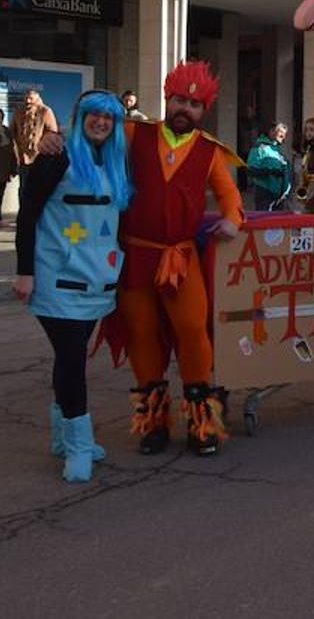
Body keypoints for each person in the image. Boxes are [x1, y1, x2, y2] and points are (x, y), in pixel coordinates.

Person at [109, 62, 242, 456]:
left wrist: (233, 219)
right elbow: (92, 142)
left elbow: (230, 198)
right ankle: (153, 424)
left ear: (205, 110)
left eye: (195, 104)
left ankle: (203, 425)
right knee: (142, 337)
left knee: (193, 334)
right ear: (168, 99)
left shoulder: (211, 152)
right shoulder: (134, 133)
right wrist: (51, 143)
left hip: (181, 259)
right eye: (180, 100)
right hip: (136, 256)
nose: (186, 108)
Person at [13, 90, 132, 483]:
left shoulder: (115, 160)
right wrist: (24, 272)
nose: (101, 122)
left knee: (71, 357)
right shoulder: (55, 156)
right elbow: (27, 214)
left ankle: (63, 436)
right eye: (93, 115)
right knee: (71, 358)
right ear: (79, 118)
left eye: (109, 117)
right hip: (55, 276)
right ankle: (79, 443)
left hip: (99, 280)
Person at [12, 89, 59, 198]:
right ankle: (24, 213)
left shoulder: (46, 111)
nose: (28, 101)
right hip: (23, 158)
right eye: (26, 98)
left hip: (40, 158)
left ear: (37, 99)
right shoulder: (19, 112)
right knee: (24, 188)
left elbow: (53, 133)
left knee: (39, 188)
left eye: (31, 99)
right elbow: (12, 131)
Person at [245, 122, 291, 211]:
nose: (283, 137)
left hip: (280, 195)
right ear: (272, 131)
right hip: (265, 193)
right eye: (281, 134)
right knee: (265, 220)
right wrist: (269, 171)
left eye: (284, 135)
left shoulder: (278, 150)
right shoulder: (259, 148)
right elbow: (250, 170)